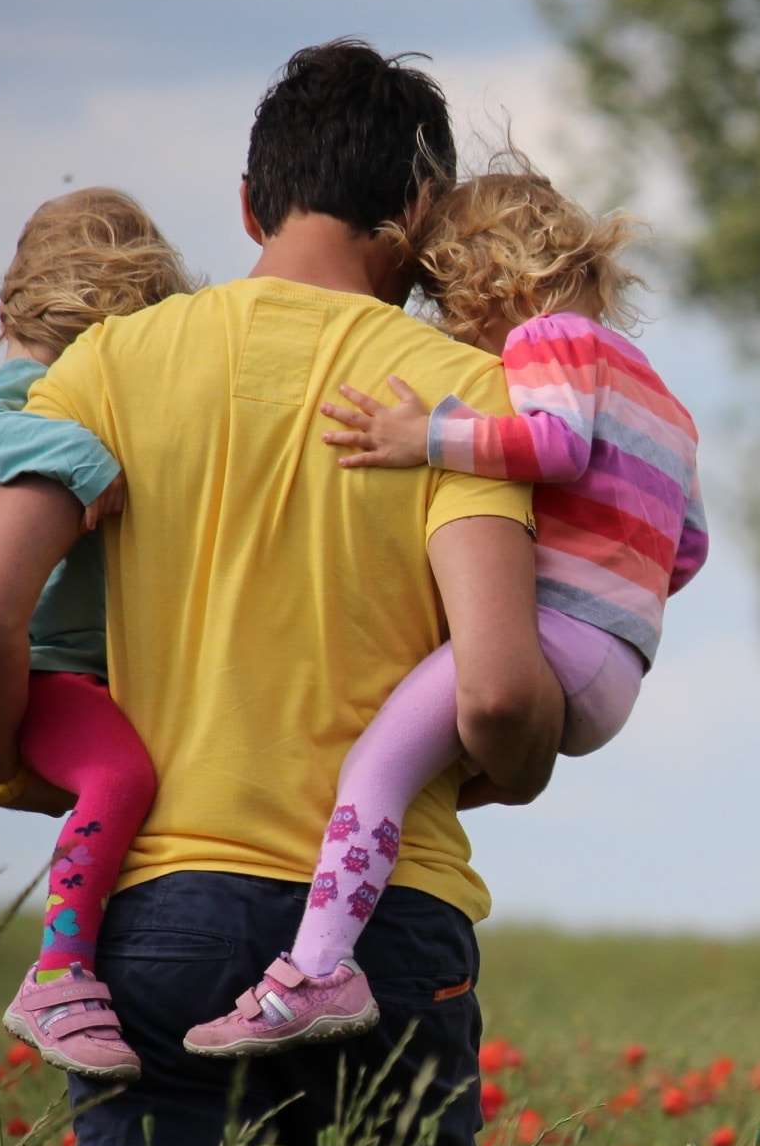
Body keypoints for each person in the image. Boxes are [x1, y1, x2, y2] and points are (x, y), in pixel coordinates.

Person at [0, 39, 563, 1146]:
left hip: (160, 913)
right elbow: (494, 693)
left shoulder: (105, 368)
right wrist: (519, 765)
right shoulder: (457, 396)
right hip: (388, 926)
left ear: (247, 203)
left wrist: (6, 761)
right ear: (420, 211)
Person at [183, 161, 708, 1057]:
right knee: (420, 773)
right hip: (619, 664)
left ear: (488, 280)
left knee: (374, 770)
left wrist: (422, 436)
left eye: (447, 300)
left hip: (554, 638)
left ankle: (316, 971)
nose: (451, 327)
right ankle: (344, 929)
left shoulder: (549, 342)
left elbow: (553, 444)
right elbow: (687, 548)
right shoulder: (663, 396)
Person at [0, 188, 194, 1082]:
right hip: (40, 669)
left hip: (84, 670)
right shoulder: (17, 398)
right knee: (122, 775)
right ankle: (59, 972)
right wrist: (83, 458)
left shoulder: (57, 387)